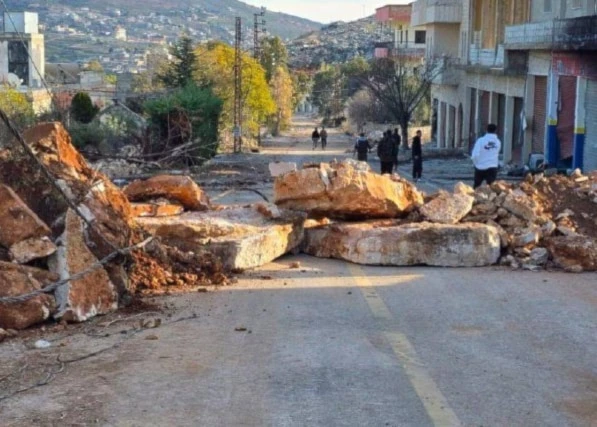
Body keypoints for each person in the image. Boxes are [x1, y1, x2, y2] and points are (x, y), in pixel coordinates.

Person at [471, 123, 501, 188]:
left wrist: (476, 164)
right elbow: (496, 153)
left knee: (476, 187)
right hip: (492, 167)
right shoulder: (498, 142)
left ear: (486, 130)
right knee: (491, 188)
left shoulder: (481, 140)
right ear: (495, 131)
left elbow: (474, 155)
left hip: (480, 167)